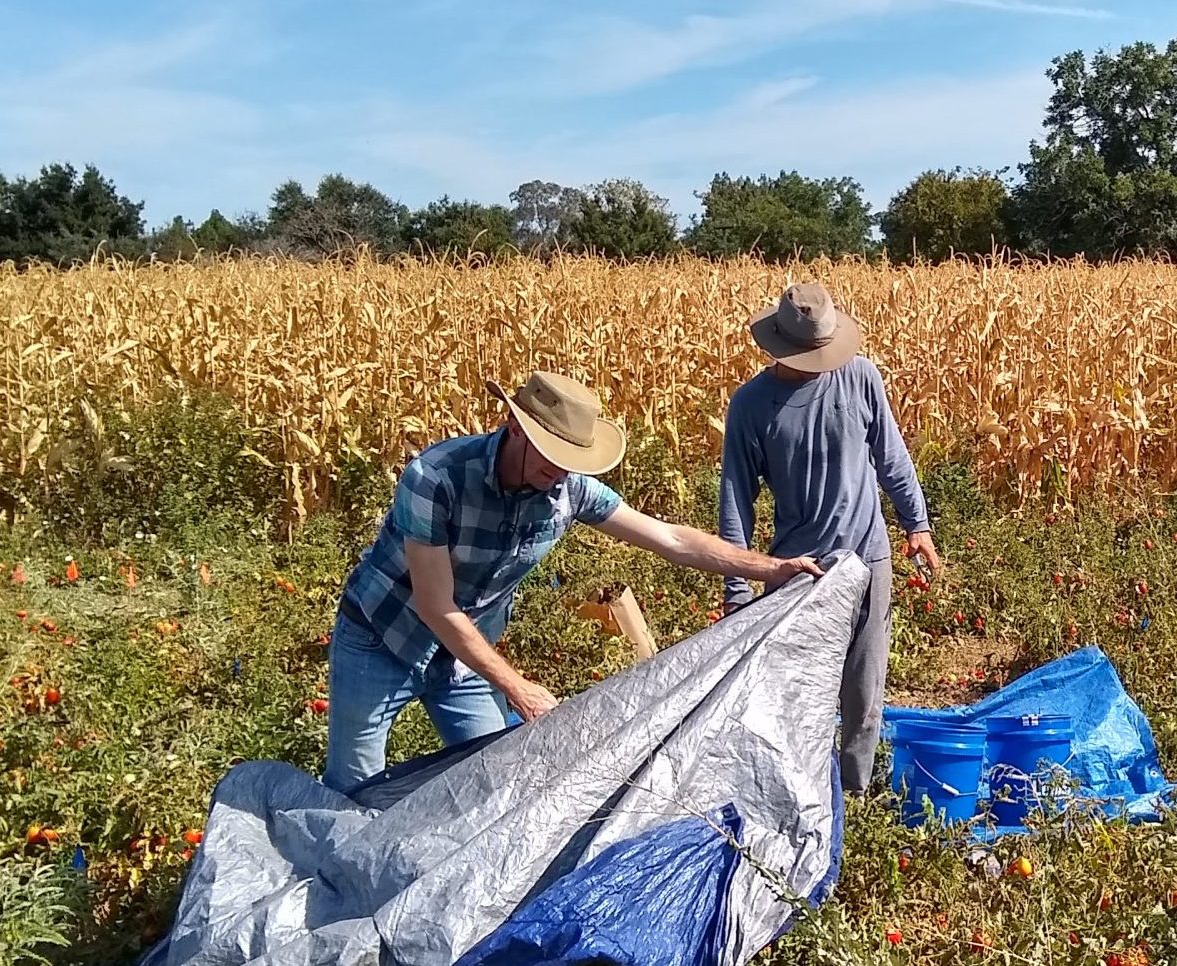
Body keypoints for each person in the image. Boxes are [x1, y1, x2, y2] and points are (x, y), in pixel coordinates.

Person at [324, 372, 823, 794]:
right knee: (355, 784)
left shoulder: (569, 488)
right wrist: (517, 687)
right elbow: (435, 606)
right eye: (548, 452)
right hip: (382, 638)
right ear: (515, 428)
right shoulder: (436, 478)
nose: (558, 469)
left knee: (492, 783)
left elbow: (670, 538)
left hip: (464, 655)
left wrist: (768, 568)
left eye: (569, 458)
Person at [718, 282, 941, 793]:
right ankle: (797, 796)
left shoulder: (860, 378)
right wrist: (737, 587)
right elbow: (736, 500)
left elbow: (892, 457)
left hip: (868, 558)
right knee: (794, 695)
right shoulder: (751, 406)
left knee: (864, 696)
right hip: (796, 571)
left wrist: (918, 526)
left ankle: (854, 797)